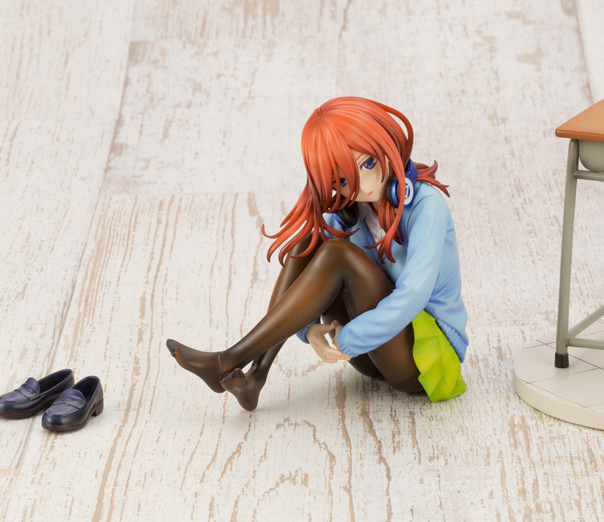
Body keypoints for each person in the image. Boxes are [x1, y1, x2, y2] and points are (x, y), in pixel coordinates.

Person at [166, 96, 468, 410]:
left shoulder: (427, 206)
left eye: (368, 163)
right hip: (371, 358)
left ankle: (228, 358)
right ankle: (257, 373)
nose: (363, 184)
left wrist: (348, 339)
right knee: (311, 239)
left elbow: (413, 295)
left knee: (337, 253)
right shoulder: (355, 210)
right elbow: (312, 274)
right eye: (344, 179)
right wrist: (309, 330)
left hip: (426, 362)